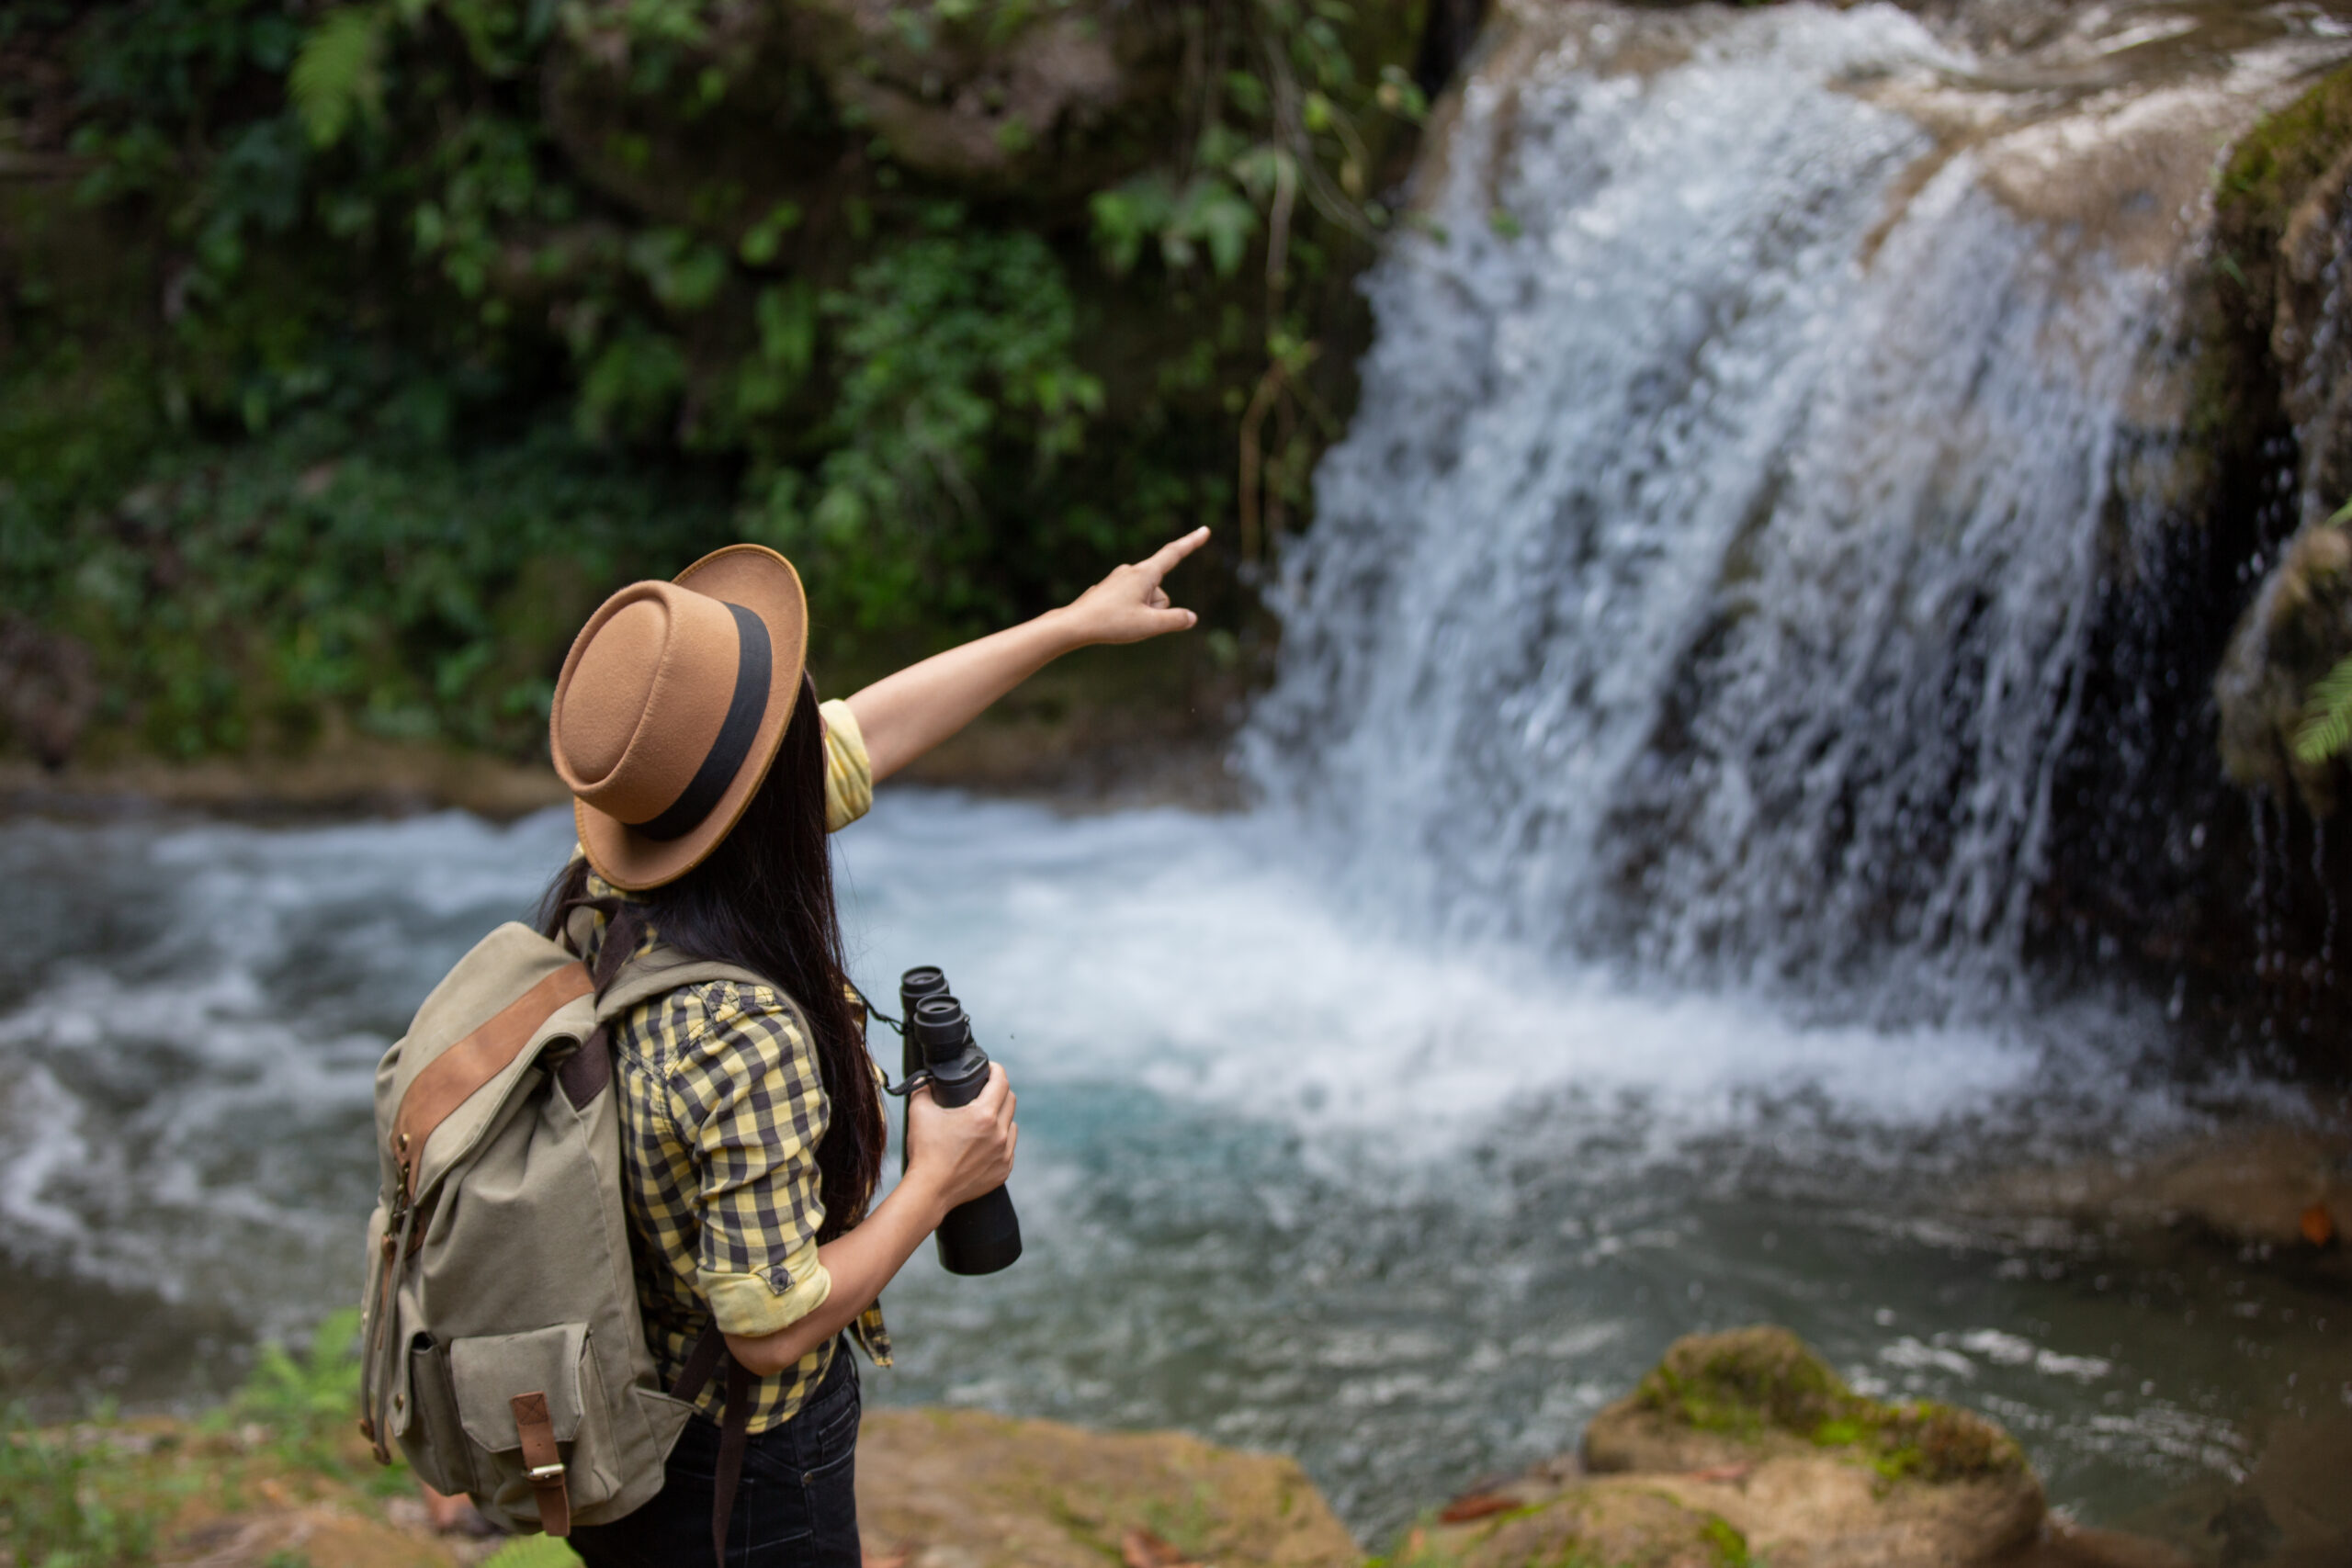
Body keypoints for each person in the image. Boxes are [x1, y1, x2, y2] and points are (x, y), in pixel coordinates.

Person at [528, 526, 1211, 1567]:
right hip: (742, 1473)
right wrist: (935, 1183)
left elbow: (867, 732)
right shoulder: (741, 1037)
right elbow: (766, 1324)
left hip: (633, 1413)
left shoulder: (605, 899)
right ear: (769, 805)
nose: (815, 727)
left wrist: (1069, 627)